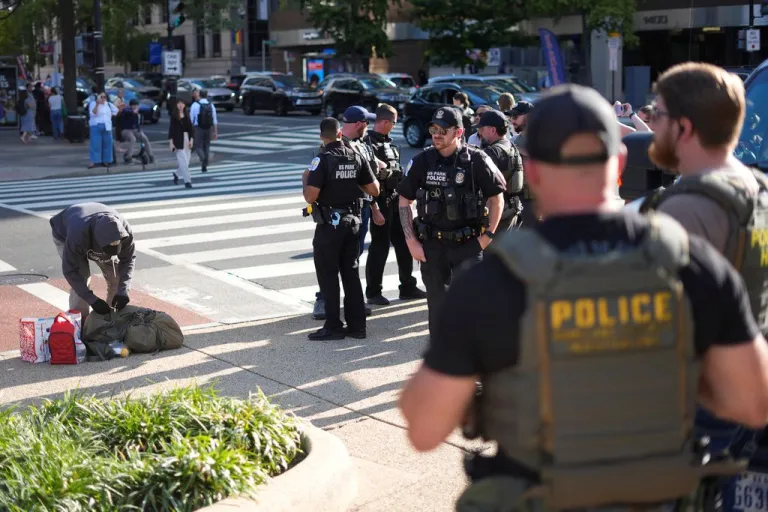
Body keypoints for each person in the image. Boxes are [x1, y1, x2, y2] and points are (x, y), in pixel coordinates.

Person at [399, 83, 768, 511]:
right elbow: (754, 401)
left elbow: (424, 428)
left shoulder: (494, 282)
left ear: (533, 172)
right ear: (621, 164)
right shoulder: (692, 263)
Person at [640, 62, 768, 496]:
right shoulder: (757, 190)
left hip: (702, 407)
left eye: (656, 115)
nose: (651, 124)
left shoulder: (687, 209)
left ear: (684, 128)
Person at [397, 106, 506, 336]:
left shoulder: (477, 160)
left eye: (443, 130)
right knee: (437, 308)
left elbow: (497, 199)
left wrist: (488, 237)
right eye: (433, 129)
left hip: (468, 244)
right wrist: (411, 242)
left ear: (458, 132)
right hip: (433, 246)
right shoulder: (422, 161)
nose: (436, 134)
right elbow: (404, 200)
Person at [303, 117, 380, 340]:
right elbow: (374, 189)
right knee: (351, 273)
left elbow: (311, 196)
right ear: (339, 134)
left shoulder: (322, 159)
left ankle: (333, 326)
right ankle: (357, 327)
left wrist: (305, 179)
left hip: (330, 225)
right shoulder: (356, 155)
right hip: (353, 222)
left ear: (321, 136)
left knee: (328, 274)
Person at [363, 104, 427, 305]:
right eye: (393, 122)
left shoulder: (389, 144)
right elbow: (365, 179)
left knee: (405, 243)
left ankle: (407, 286)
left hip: (396, 201)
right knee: (379, 248)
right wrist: (374, 208)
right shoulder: (367, 145)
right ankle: (373, 292)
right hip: (379, 202)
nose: (394, 126)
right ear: (384, 122)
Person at [50, 202, 136, 322]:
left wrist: (123, 292)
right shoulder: (77, 236)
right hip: (65, 235)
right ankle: (81, 325)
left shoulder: (125, 233)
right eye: (108, 249)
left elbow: (128, 259)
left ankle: (113, 322)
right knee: (81, 280)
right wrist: (93, 300)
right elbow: (70, 271)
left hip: (94, 235)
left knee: (117, 278)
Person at [474, 110, 524, 232]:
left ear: (492, 130)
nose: (479, 133)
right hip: (512, 210)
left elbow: (477, 182)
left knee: (489, 251)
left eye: (481, 129)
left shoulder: (493, 152)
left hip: (499, 215)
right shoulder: (510, 145)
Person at [190, 88, 218, 173]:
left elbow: (192, 119)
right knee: (207, 146)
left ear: (200, 95)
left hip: (198, 128)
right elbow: (214, 119)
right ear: (206, 95)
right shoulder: (211, 105)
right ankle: (204, 165)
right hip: (208, 128)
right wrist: (215, 131)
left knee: (197, 145)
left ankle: (203, 159)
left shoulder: (195, 105)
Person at [169, 98, 195, 188]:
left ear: (184, 105)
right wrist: (171, 143)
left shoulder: (187, 116)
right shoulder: (174, 116)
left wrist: (191, 140)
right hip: (177, 140)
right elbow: (171, 130)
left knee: (186, 162)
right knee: (183, 162)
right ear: (176, 105)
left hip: (187, 139)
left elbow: (191, 130)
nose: (180, 105)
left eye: (182, 103)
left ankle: (176, 174)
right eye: (178, 103)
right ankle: (187, 182)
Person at [88, 91, 118, 169]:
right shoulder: (93, 104)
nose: (103, 99)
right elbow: (92, 113)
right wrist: (97, 104)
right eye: (101, 97)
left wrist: (111, 115)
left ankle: (106, 160)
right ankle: (94, 161)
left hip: (107, 125)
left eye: (104, 97)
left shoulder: (108, 104)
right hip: (96, 125)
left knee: (107, 144)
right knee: (95, 144)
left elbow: (116, 110)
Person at [120, 99, 155, 164]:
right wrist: (133, 112)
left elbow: (138, 124)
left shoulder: (138, 113)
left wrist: (140, 130)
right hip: (126, 130)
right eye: (133, 105)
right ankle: (128, 157)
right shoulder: (127, 111)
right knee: (133, 139)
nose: (135, 107)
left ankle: (151, 156)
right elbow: (126, 111)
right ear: (130, 106)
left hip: (135, 130)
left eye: (136, 105)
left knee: (145, 138)